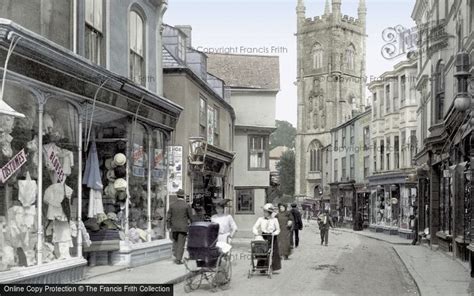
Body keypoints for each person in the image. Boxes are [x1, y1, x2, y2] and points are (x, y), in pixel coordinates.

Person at [167, 189, 193, 264]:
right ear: (183, 196)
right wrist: (192, 224)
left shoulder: (172, 205)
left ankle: (176, 255)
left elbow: (168, 217)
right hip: (183, 227)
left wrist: (168, 226)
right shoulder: (186, 205)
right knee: (181, 243)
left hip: (174, 227)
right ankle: (178, 259)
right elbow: (190, 217)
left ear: (177, 196)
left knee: (175, 242)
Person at [252, 203, 281, 272]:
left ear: (270, 213)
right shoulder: (260, 219)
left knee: (273, 252)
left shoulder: (274, 220)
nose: (264, 213)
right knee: (262, 251)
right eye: (264, 211)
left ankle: (273, 267)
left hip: (272, 236)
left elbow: (278, 229)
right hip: (263, 236)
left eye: (266, 212)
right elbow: (254, 227)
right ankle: (262, 267)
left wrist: (274, 233)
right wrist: (256, 233)